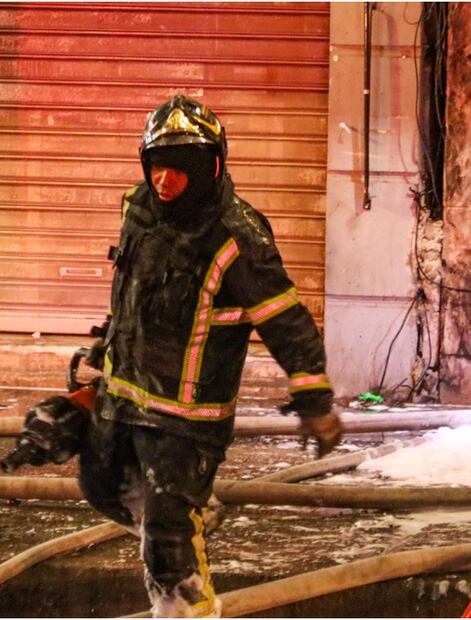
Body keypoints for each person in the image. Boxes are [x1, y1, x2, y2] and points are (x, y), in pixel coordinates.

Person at [63, 94, 342, 617]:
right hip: (123, 396)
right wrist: (102, 362)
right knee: (100, 484)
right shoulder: (139, 210)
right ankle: (190, 511)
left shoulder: (237, 236)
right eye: (157, 167)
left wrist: (314, 398)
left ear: (211, 167)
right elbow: (129, 294)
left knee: (167, 548)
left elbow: (285, 320)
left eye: (179, 170)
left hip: (186, 420)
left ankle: (185, 591)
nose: (165, 180)